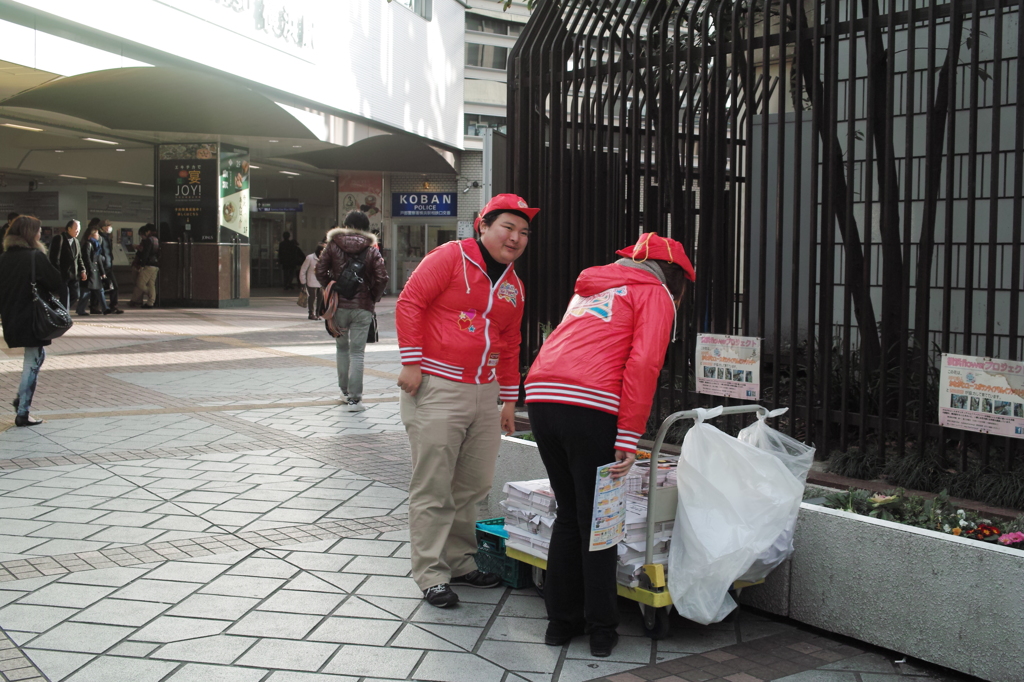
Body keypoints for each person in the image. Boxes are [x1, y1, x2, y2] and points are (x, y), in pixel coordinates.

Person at [523, 232, 695, 657]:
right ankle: (601, 628)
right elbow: (643, 363)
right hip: (591, 406)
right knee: (601, 521)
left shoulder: (595, 286)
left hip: (543, 398)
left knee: (570, 514)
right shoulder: (654, 293)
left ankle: (560, 623)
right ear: (675, 276)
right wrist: (628, 436)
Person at [396, 194, 538, 608]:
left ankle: (459, 560)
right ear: (482, 225)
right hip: (438, 384)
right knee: (434, 484)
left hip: (485, 392)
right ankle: (431, 573)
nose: (516, 238)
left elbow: (510, 342)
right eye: (507, 227)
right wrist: (411, 363)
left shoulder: (513, 285)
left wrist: (509, 401)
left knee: (473, 483)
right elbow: (410, 302)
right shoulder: (449, 257)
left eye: (524, 232)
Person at [316, 210, 389, 410]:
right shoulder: (372, 250)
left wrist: (332, 288)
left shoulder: (332, 244)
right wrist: (372, 296)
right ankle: (355, 400)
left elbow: (320, 271)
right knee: (357, 353)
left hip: (338, 305)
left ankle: (344, 391)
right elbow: (382, 278)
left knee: (341, 348)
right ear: (366, 228)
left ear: (345, 225)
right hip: (362, 308)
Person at [0, 215, 65, 427]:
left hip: (12, 316)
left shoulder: (4, 257)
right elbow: (56, 281)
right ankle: (23, 411)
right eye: (38, 230)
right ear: (30, 234)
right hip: (33, 317)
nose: (40, 234)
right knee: (32, 360)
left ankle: (21, 399)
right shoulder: (34, 256)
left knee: (36, 356)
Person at [48, 219, 87, 311]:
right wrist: (58, 272)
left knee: (75, 295)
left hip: (74, 275)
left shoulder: (76, 241)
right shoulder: (59, 239)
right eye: (76, 229)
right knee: (65, 297)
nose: (78, 232)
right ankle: (64, 315)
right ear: (69, 229)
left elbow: (79, 258)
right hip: (63, 274)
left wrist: (83, 270)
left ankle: (59, 311)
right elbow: (54, 258)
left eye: (79, 230)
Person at [75, 223, 109, 316]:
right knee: (86, 292)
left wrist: (102, 273)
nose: (98, 236)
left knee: (99, 290)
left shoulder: (96, 245)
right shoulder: (87, 244)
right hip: (90, 272)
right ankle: (80, 309)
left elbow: (99, 260)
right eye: (96, 234)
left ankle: (105, 308)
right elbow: (87, 259)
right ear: (90, 235)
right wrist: (88, 271)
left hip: (95, 272)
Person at [97, 219, 123, 314]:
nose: (109, 228)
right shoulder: (100, 238)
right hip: (102, 267)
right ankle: (95, 306)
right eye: (107, 226)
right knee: (99, 288)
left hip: (108, 267)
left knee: (114, 287)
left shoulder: (108, 238)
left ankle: (113, 306)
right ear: (102, 227)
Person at [131, 224, 159, 308]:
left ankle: (152, 297)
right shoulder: (156, 239)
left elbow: (145, 254)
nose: (142, 236)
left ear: (147, 232)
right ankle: (150, 303)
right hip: (156, 265)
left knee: (140, 283)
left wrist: (142, 265)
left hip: (148, 265)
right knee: (151, 284)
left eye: (142, 234)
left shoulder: (148, 240)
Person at [299, 244, 325, 320]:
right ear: (320, 250)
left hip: (321, 281)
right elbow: (303, 270)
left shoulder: (325, 258)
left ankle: (318, 313)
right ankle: (311, 313)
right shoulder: (310, 258)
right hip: (311, 280)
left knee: (321, 297)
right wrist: (303, 282)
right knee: (312, 297)